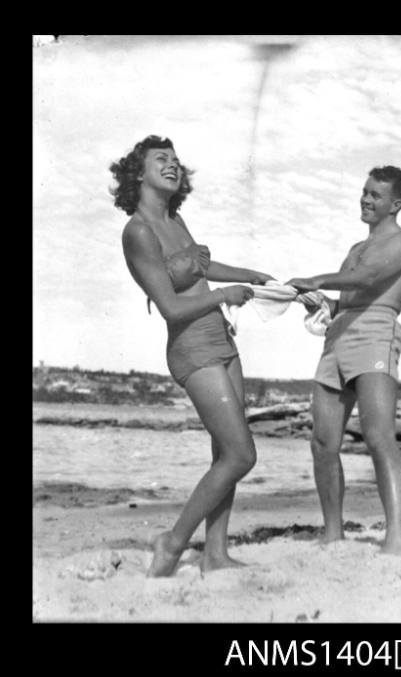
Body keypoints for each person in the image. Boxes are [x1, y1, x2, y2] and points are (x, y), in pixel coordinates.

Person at [110, 135, 274, 576]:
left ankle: (215, 555)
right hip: (192, 347)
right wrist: (226, 293)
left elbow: (201, 268)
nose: (173, 164)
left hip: (221, 338)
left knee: (225, 451)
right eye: (160, 159)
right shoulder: (138, 231)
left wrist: (251, 277)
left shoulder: (175, 219)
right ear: (137, 173)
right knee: (242, 456)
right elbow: (171, 306)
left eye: (176, 159)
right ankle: (174, 541)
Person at [287, 166, 401, 554]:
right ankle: (333, 533)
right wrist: (319, 301)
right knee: (322, 442)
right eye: (364, 192)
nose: (366, 199)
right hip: (338, 334)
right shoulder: (354, 249)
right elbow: (348, 295)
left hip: (377, 330)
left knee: (379, 437)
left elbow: (367, 279)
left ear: (395, 203)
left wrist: (317, 280)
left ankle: (396, 537)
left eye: (376, 195)